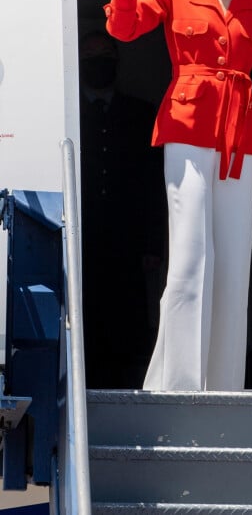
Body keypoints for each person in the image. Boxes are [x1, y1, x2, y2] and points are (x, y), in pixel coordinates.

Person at [104, 0, 252, 392]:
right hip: (186, 130)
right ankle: (180, 386)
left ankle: (223, 387)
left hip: (242, 136)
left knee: (233, 264)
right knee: (190, 258)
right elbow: (122, 28)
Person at [79, 30, 165, 388]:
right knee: (85, 312)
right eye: (92, 57)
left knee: (127, 317)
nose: (100, 63)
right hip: (82, 233)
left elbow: (152, 184)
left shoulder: (141, 114)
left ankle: (129, 387)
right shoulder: (68, 111)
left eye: (107, 56)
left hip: (127, 236)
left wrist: (152, 243)